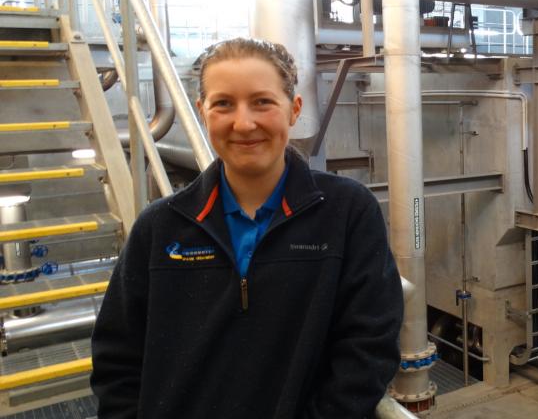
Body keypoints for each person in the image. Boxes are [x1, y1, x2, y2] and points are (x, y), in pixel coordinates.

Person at [90, 38, 403, 418]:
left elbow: (369, 347)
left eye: (262, 102)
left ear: (294, 109)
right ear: (202, 112)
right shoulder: (159, 228)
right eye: (223, 104)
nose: (244, 122)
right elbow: (117, 358)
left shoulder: (347, 213)